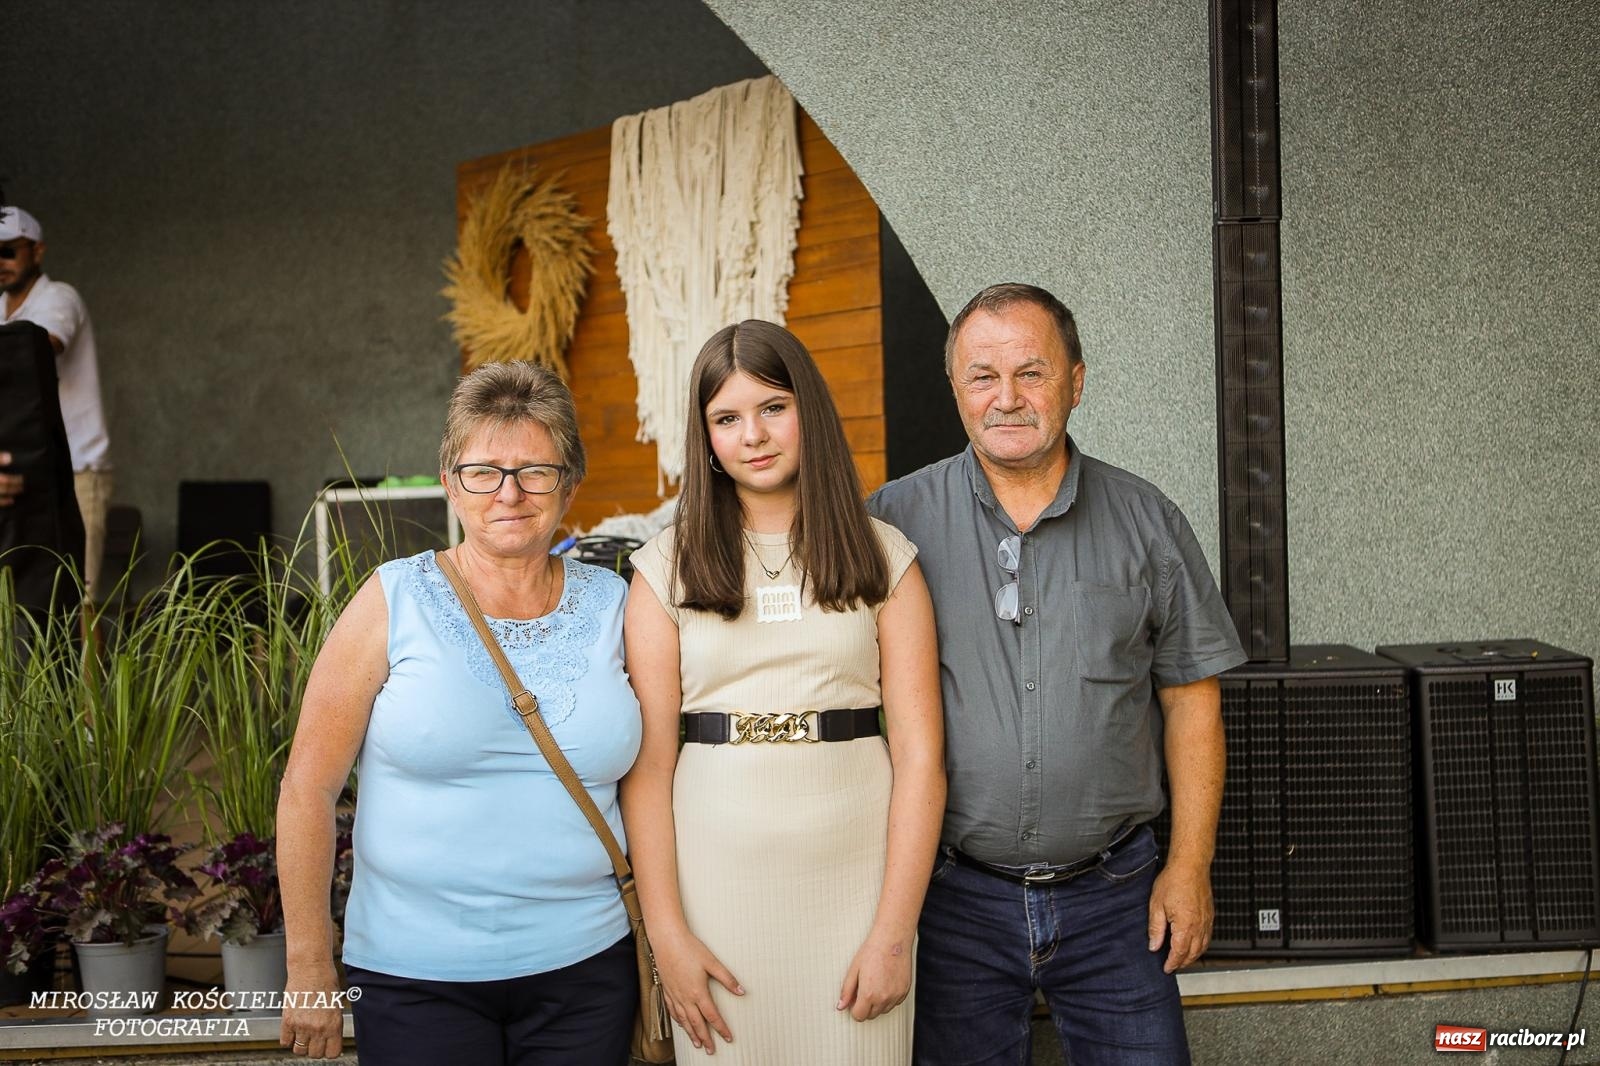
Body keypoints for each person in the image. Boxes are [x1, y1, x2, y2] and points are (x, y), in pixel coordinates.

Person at [867, 284, 1247, 1066]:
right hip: (952, 901)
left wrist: (1189, 866)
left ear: (1076, 381)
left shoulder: (1149, 522)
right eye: (982, 376)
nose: (1006, 398)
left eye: (1031, 373)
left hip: (1119, 899)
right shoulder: (891, 524)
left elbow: (1192, 702)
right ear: (955, 388)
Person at [276, 361, 642, 1064]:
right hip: (416, 978)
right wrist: (309, 967)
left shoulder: (619, 606)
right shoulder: (393, 599)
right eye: (484, 471)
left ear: (569, 483)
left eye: (536, 469)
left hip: (589, 969)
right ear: (450, 482)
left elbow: (656, 785)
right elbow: (307, 789)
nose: (510, 492)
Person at [621, 320, 945, 1064]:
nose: (753, 435)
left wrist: (895, 935)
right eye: (726, 418)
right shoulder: (662, 571)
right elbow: (649, 770)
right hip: (717, 894)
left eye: (773, 407)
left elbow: (923, 759)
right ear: (705, 439)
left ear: (810, 412)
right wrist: (666, 936)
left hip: (858, 891)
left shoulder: (886, 559)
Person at [0, 206, 112, 601]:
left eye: (9, 251)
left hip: (79, 470)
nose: (1, 262)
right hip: (21, 474)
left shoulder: (59, 296)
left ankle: (90, 668)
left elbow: (35, 349)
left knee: (81, 600)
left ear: (38, 250)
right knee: (27, 604)